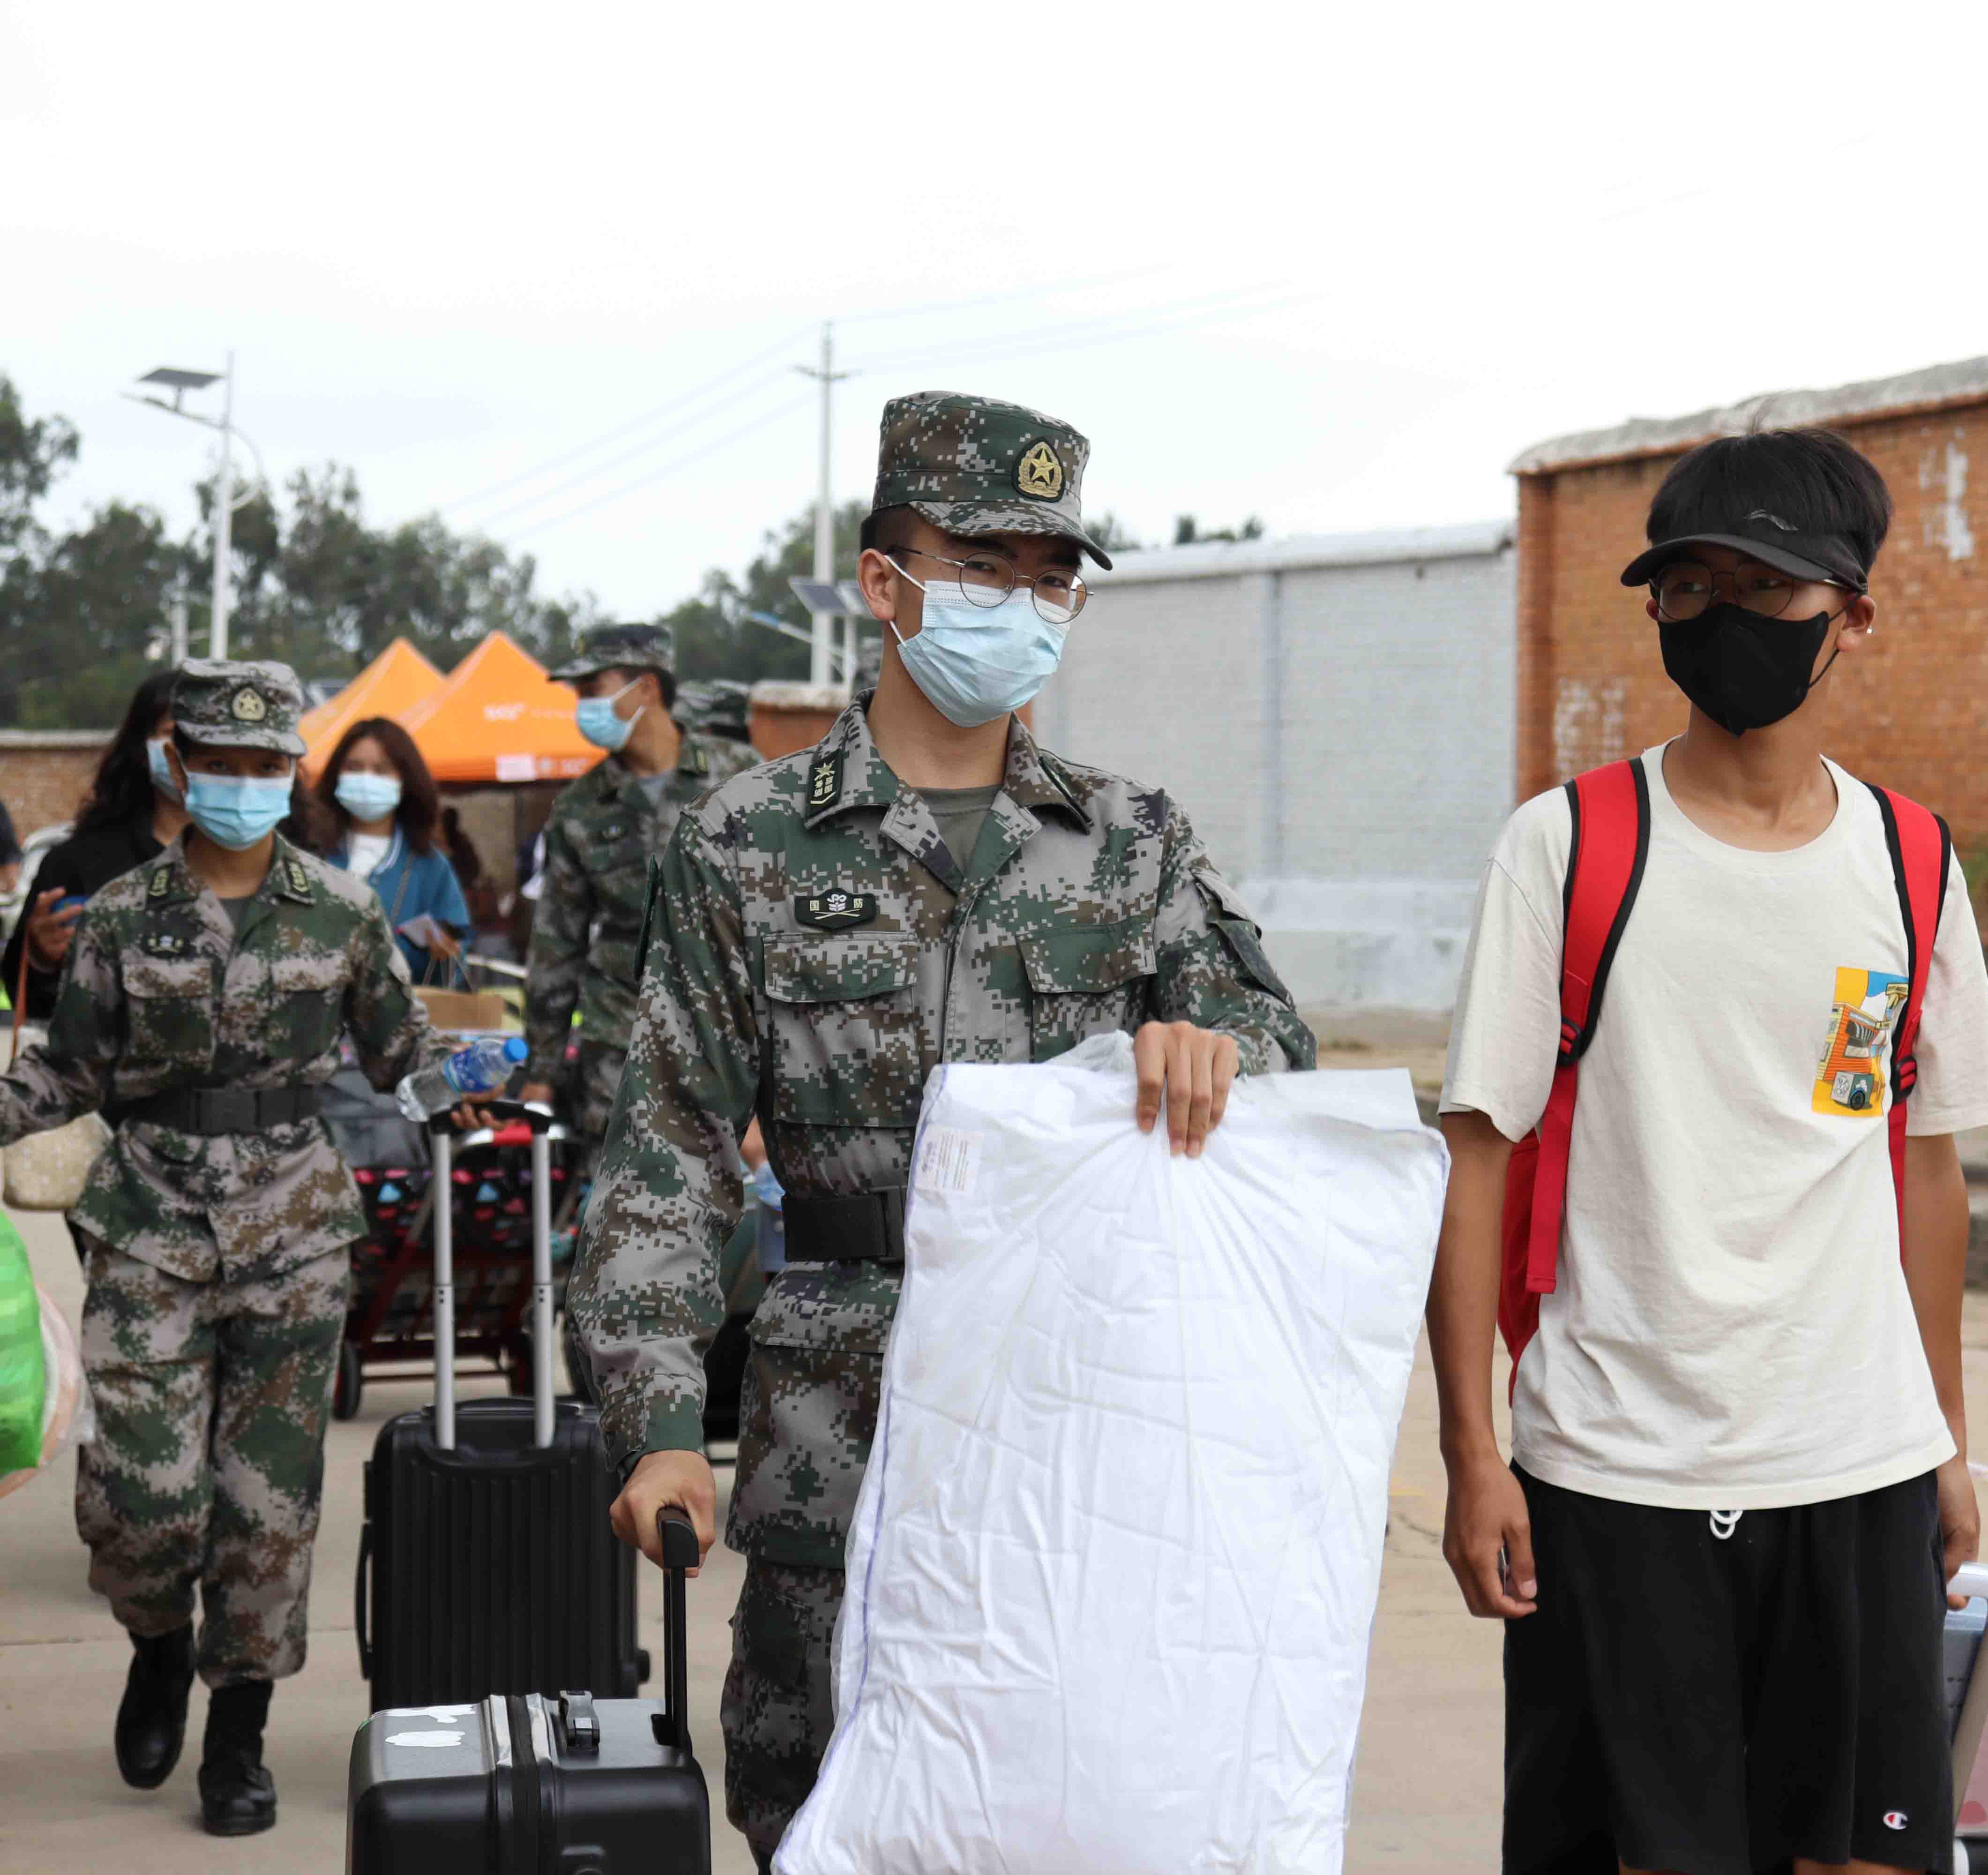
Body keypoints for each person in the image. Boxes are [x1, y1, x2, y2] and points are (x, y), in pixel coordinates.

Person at [571, 391, 1315, 1871]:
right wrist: (658, 1426)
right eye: (982, 569)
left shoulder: (1131, 841)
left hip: (1080, 1420)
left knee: (1071, 1807)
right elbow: (665, 1150)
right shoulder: (746, 839)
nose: (1020, 607)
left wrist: (1212, 1047)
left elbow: (1279, 1057)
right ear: (884, 581)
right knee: (816, 1803)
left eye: (1050, 579)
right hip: (836, 1421)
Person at [1426, 429, 1988, 1875]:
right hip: (1616, 1468)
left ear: (1851, 616)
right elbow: (1477, 1160)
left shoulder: (1910, 863)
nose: (1721, 618)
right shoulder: (1567, 848)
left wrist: (1944, 1443)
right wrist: (1471, 1454)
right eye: (1688, 587)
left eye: (1763, 587)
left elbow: (1924, 1171)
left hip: (1858, 1464)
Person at [0, 661, 497, 1838]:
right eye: (217, 762)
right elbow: (70, 1068)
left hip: (293, 1230)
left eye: (263, 764)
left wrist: (475, 1083)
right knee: (142, 1501)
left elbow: (403, 1049)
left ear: (291, 772)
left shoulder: (342, 910)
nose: (239, 782)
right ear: (181, 766)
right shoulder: (123, 912)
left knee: (265, 1507)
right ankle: (157, 1645)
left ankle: (239, 1733)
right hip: (150, 1223)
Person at [518, 624, 759, 1166]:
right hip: (622, 1046)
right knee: (625, 1202)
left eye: (592, 689)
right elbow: (556, 945)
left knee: (742, 1203)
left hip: (733, 1037)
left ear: (647, 687)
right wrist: (541, 1072)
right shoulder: (581, 807)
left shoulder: (740, 774)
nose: (582, 707)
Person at [3, 671, 190, 1023]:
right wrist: (41, 960)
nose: (194, 750)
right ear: (143, 746)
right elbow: (32, 1002)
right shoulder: (79, 863)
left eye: (209, 736)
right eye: (176, 734)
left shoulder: (280, 867)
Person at [306, 717, 473, 984]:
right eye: (354, 768)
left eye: (382, 770)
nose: (366, 779)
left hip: (401, 1006)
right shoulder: (309, 853)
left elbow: (456, 959)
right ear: (337, 773)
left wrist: (447, 954)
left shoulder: (430, 867)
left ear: (405, 780)